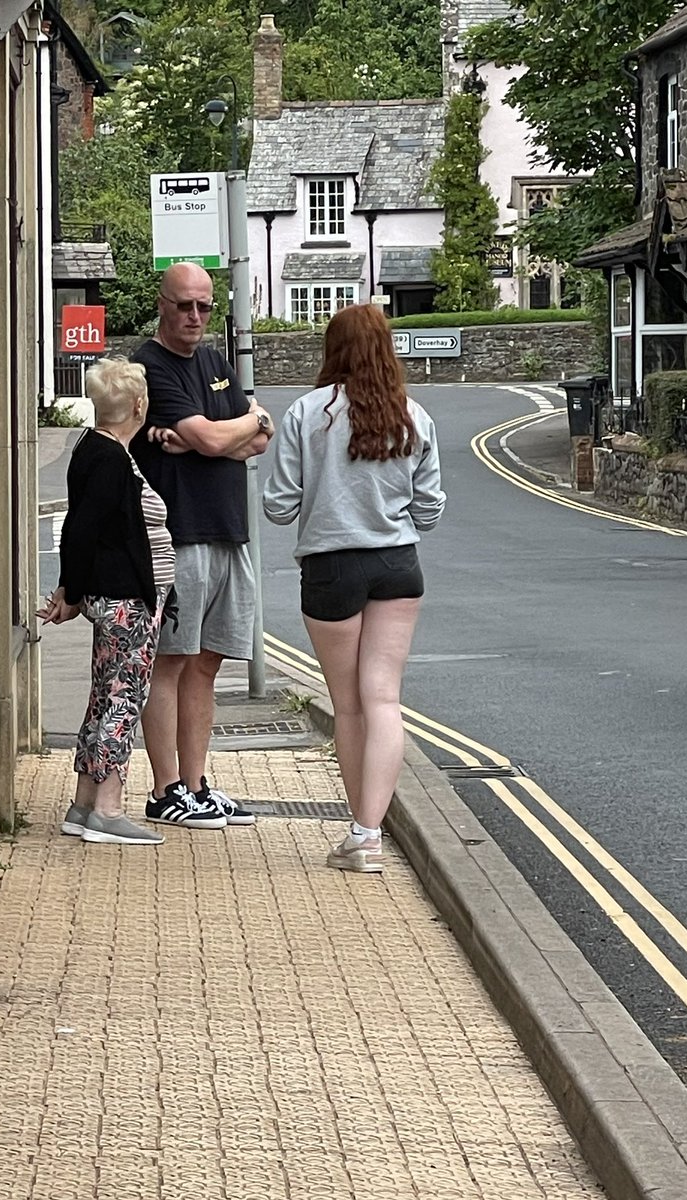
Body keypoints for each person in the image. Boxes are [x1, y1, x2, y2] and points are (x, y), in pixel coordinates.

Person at [262, 303, 446, 873]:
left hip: (330, 568)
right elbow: (431, 507)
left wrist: (324, 494)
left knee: (347, 707)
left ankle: (358, 835)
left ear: (333, 349)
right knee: (384, 698)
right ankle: (369, 833)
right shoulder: (412, 414)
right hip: (397, 564)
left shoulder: (305, 413)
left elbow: (277, 504)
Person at [129, 262, 275, 830]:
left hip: (226, 528)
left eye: (205, 307)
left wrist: (205, 442)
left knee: (208, 664)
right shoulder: (149, 367)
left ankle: (195, 784)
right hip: (177, 535)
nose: (195, 316)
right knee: (170, 660)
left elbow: (258, 437)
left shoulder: (215, 363)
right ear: (162, 304)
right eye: (185, 305)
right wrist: (222, 435)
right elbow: (227, 434)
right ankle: (165, 790)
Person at [38, 357, 177, 846]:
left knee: (104, 698)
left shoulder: (93, 447)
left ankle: (83, 803)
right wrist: (69, 593)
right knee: (124, 700)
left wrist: (70, 591)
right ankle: (109, 808)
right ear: (139, 405)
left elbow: (81, 527)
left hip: (118, 596)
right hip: (126, 601)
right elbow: (82, 530)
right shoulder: (111, 458)